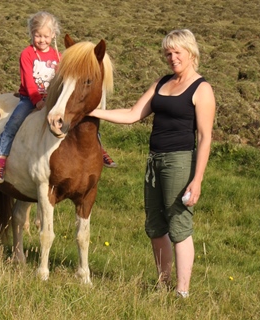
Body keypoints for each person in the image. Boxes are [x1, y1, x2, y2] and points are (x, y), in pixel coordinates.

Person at [89, 29, 216, 298]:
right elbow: (133, 114)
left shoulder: (201, 89)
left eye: (176, 52)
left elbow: (205, 138)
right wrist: (91, 111)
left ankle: (182, 291)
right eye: (167, 53)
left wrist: (198, 179)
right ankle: (162, 283)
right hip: (154, 161)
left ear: (190, 52)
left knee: (179, 224)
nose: (171, 58)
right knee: (155, 225)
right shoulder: (161, 83)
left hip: (180, 162)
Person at [0, 12, 116, 183]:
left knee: (85, 119)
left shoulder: (59, 56)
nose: (42, 40)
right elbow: (28, 82)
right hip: (30, 98)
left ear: (53, 35)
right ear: (31, 34)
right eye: (37, 35)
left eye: (45, 36)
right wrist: (37, 101)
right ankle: (1, 157)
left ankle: (100, 149)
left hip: (54, 98)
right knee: (13, 122)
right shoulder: (27, 54)